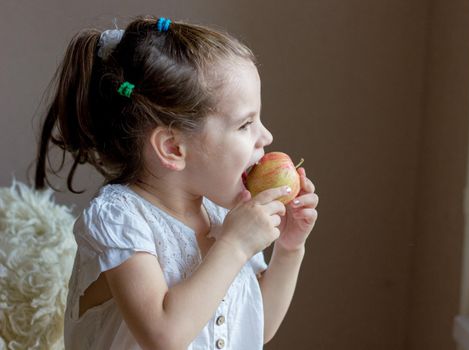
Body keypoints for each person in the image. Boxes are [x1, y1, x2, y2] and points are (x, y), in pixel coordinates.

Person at [34, 15, 319, 350]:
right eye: (245, 125)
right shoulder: (119, 218)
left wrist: (289, 248)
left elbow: (258, 327)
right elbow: (163, 335)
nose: (266, 136)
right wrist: (234, 246)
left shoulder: (222, 217)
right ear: (173, 148)